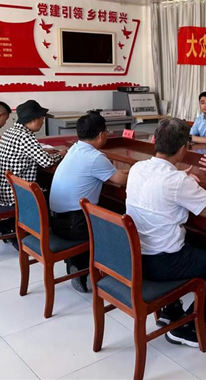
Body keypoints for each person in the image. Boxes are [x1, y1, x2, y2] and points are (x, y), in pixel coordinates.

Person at [126, 118, 206, 348]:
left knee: (194, 241)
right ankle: (188, 327)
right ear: (184, 148)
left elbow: (160, 186)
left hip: (135, 257)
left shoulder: (137, 168)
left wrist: (181, 178)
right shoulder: (176, 181)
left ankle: (171, 309)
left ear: (155, 140)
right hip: (163, 262)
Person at [49, 112, 128, 292]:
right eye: (106, 131)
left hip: (57, 220)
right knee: (120, 224)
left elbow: (110, 174)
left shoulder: (75, 149)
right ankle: (96, 272)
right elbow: (121, 181)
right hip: (74, 225)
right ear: (101, 135)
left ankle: (76, 264)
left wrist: (119, 172)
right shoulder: (95, 157)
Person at [0, 100, 62, 242]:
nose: (43, 121)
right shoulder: (25, 136)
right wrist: (61, 154)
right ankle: (41, 227)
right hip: (14, 194)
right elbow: (46, 162)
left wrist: (43, 152)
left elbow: (28, 152)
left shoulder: (11, 131)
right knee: (53, 191)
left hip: (2, 189)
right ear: (33, 119)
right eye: (42, 118)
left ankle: (12, 225)